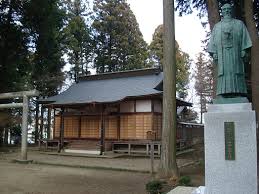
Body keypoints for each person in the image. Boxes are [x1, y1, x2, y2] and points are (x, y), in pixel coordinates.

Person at [208, 3, 252, 101]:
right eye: (225, 10)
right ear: (222, 12)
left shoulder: (239, 24)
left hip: (235, 55)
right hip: (222, 55)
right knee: (224, 74)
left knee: (237, 72)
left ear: (231, 11)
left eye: (228, 9)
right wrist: (214, 52)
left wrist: (244, 49)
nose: (227, 11)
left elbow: (245, 38)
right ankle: (223, 94)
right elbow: (213, 42)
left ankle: (238, 93)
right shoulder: (217, 27)